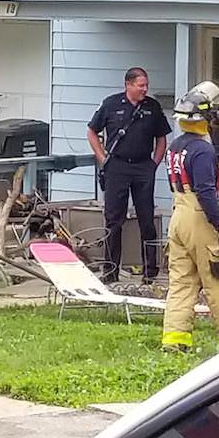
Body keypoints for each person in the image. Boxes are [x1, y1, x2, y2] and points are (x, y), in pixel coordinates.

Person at [161, 81, 219, 353]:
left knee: (181, 282)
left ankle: (175, 341)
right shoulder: (203, 150)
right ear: (209, 116)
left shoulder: (175, 146)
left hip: (178, 215)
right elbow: (206, 191)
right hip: (200, 218)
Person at [87, 67, 171, 284]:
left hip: (143, 166)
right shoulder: (111, 104)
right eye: (140, 85)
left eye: (146, 85)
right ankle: (110, 271)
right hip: (117, 167)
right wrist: (102, 158)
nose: (145, 89)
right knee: (114, 220)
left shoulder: (152, 107)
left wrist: (154, 164)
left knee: (147, 220)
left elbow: (162, 138)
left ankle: (150, 272)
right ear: (128, 85)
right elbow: (92, 132)